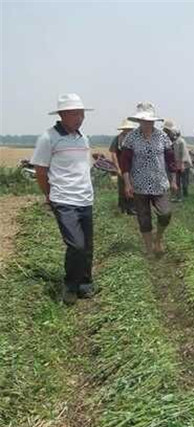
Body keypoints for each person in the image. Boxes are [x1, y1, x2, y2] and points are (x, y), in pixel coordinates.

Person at [31, 93, 95, 305]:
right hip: (64, 199)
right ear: (62, 115)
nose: (80, 118)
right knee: (76, 245)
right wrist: (49, 195)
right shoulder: (48, 138)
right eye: (75, 113)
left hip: (85, 198)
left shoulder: (83, 138)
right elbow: (41, 170)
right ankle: (70, 285)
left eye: (82, 113)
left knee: (86, 245)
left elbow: (84, 167)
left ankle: (85, 283)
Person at [121, 102, 179, 255]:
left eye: (150, 120)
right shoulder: (131, 138)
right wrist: (127, 184)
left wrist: (173, 179)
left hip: (160, 183)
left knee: (165, 213)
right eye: (144, 120)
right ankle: (148, 248)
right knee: (144, 218)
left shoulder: (163, 136)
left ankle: (158, 238)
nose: (147, 123)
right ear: (139, 121)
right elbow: (125, 163)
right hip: (139, 184)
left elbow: (171, 160)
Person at [109, 119, 138, 214]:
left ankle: (132, 208)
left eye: (129, 129)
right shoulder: (117, 139)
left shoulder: (136, 139)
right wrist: (117, 168)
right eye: (126, 129)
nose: (128, 130)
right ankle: (122, 207)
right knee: (122, 187)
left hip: (133, 167)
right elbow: (113, 153)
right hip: (122, 167)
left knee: (133, 187)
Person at [162, 120, 192, 201]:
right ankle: (178, 196)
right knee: (177, 181)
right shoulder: (172, 142)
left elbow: (183, 154)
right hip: (177, 164)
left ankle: (184, 196)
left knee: (184, 182)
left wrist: (181, 165)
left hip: (184, 164)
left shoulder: (180, 141)